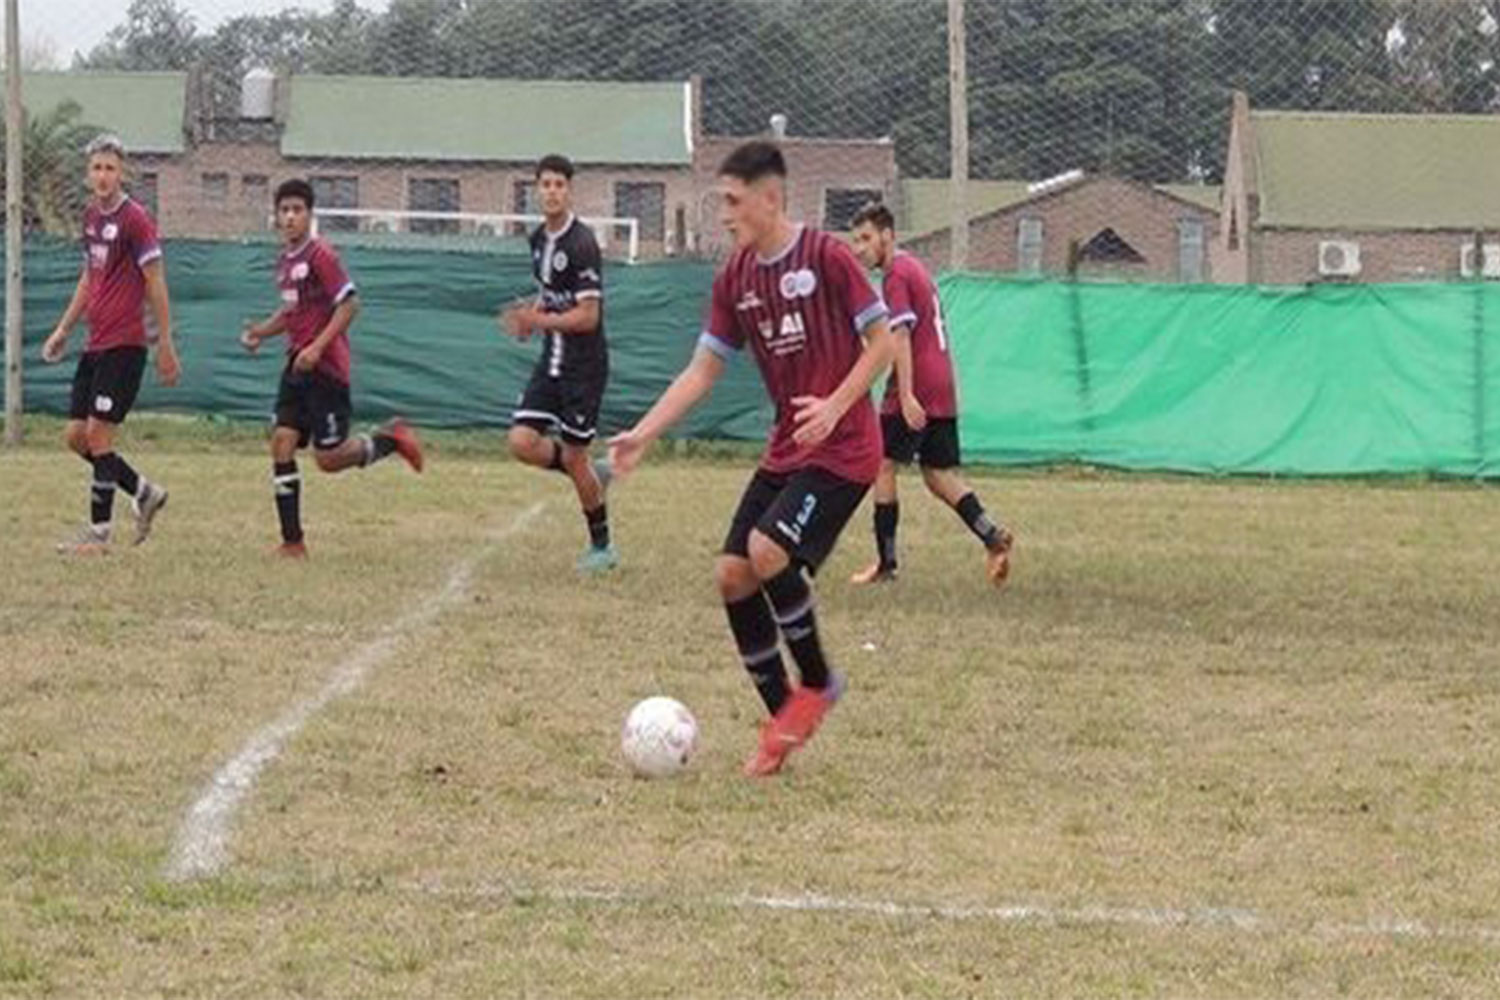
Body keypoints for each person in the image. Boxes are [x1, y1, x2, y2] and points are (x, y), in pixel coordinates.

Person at [609, 141, 893, 776]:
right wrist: (644, 433)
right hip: (788, 450)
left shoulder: (827, 257)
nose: (726, 215)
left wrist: (837, 405)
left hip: (844, 450)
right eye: (722, 203)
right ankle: (782, 724)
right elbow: (704, 367)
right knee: (733, 575)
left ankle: (817, 684)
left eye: (734, 202)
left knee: (768, 552)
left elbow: (885, 341)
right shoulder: (736, 277)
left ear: (772, 198)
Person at [241, 179, 423, 557]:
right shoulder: (285, 262)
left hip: (326, 369)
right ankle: (293, 542)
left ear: (310, 215)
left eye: (297, 210)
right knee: (281, 442)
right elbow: (291, 312)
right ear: (276, 216)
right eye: (284, 210)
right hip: (297, 366)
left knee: (328, 459)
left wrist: (318, 346)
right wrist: (261, 331)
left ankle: (391, 438)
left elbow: (349, 304)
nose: (290, 216)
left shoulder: (321, 255)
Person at [847, 203, 1014, 586]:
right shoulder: (915, 267)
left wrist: (905, 394)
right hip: (942, 379)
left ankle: (886, 566)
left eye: (866, 238)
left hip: (917, 381)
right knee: (937, 473)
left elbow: (901, 335)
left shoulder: (895, 274)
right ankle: (992, 536)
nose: (859, 248)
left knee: (882, 464)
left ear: (888, 235)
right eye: (855, 240)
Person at [42, 133, 179, 555]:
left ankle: (98, 537)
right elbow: (90, 277)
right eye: (97, 168)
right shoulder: (91, 218)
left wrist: (165, 342)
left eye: (111, 168)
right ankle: (143, 491)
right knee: (75, 437)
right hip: (95, 343)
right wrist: (64, 328)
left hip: (125, 344)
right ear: (89, 174)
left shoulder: (134, 219)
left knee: (99, 436)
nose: (103, 176)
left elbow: (156, 281)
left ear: (123, 174)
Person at [500, 154, 617, 573]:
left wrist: (540, 319)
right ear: (536, 190)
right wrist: (529, 318)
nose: (551, 191)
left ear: (569, 191)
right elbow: (548, 294)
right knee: (521, 442)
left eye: (558, 185)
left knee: (574, 456)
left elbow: (589, 317)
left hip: (583, 368)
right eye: (544, 184)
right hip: (551, 359)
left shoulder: (581, 244)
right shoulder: (537, 240)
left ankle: (602, 547)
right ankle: (586, 471)